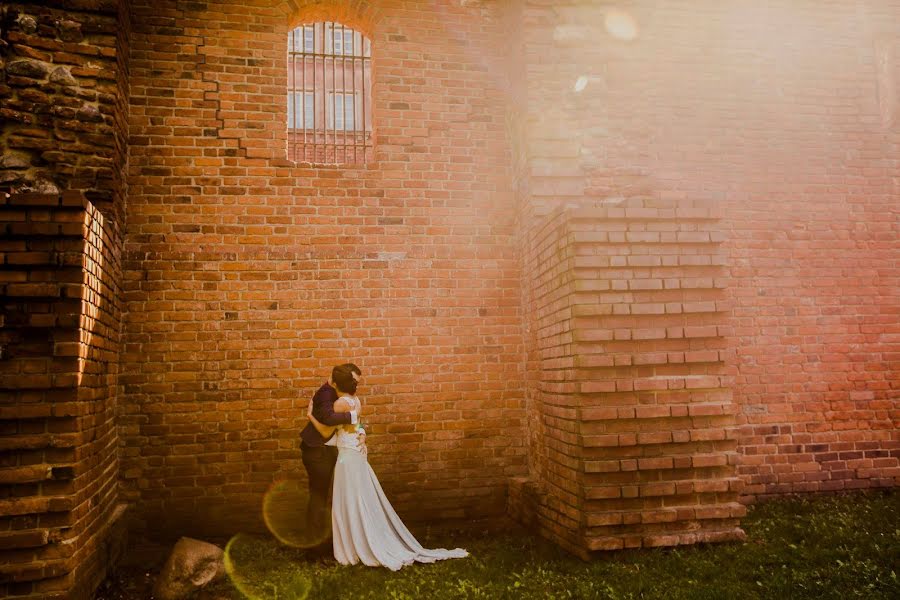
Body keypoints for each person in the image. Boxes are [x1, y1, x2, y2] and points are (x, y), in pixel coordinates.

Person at [306, 366, 468, 570]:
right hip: (354, 455)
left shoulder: (339, 403)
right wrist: (362, 434)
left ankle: (354, 543)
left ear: (338, 384)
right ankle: (361, 538)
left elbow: (325, 428)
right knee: (359, 498)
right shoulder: (355, 401)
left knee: (349, 501)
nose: (328, 380)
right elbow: (357, 424)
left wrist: (310, 415)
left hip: (347, 459)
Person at [299, 363, 363, 554]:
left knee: (331, 497)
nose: (355, 385)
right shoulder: (326, 394)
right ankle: (314, 550)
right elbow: (328, 420)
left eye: (356, 382)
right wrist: (353, 415)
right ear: (337, 382)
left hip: (333, 451)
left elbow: (352, 422)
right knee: (318, 497)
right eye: (353, 381)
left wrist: (361, 431)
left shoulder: (343, 392)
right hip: (317, 452)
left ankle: (334, 542)